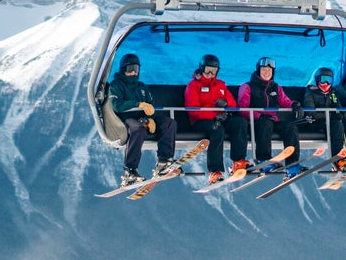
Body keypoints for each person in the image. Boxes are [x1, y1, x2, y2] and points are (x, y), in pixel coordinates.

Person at [109, 53, 177, 186]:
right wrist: (137, 104)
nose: (134, 72)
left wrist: (150, 119)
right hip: (126, 118)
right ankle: (130, 170)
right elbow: (117, 106)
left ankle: (163, 160)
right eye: (130, 69)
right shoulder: (116, 85)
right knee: (138, 130)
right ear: (123, 69)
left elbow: (150, 105)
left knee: (169, 123)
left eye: (136, 69)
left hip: (143, 118)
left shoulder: (142, 87)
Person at [185, 54, 249, 184]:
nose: (210, 74)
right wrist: (214, 116)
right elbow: (193, 110)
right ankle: (215, 171)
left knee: (240, 122)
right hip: (201, 120)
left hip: (221, 118)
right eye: (208, 70)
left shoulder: (220, 85)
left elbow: (233, 103)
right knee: (217, 129)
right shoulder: (193, 86)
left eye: (213, 71)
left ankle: (238, 161)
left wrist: (225, 103)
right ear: (201, 69)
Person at [238, 56, 304, 177]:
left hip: (272, 120)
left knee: (290, 127)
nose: (267, 72)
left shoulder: (276, 87)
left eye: (269, 70)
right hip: (254, 122)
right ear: (258, 71)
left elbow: (285, 102)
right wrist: (258, 116)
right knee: (266, 123)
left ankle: (292, 164)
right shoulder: (247, 87)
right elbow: (243, 109)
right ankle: (264, 159)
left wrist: (295, 105)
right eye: (264, 70)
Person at [302, 66, 346, 169]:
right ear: (317, 80)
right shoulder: (310, 94)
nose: (326, 83)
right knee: (336, 125)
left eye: (328, 80)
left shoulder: (333, 93)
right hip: (316, 123)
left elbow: (338, 107)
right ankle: (338, 161)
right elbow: (310, 112)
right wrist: (331, 115)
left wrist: (338, 113)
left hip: (332, 121)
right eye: (323, 80)